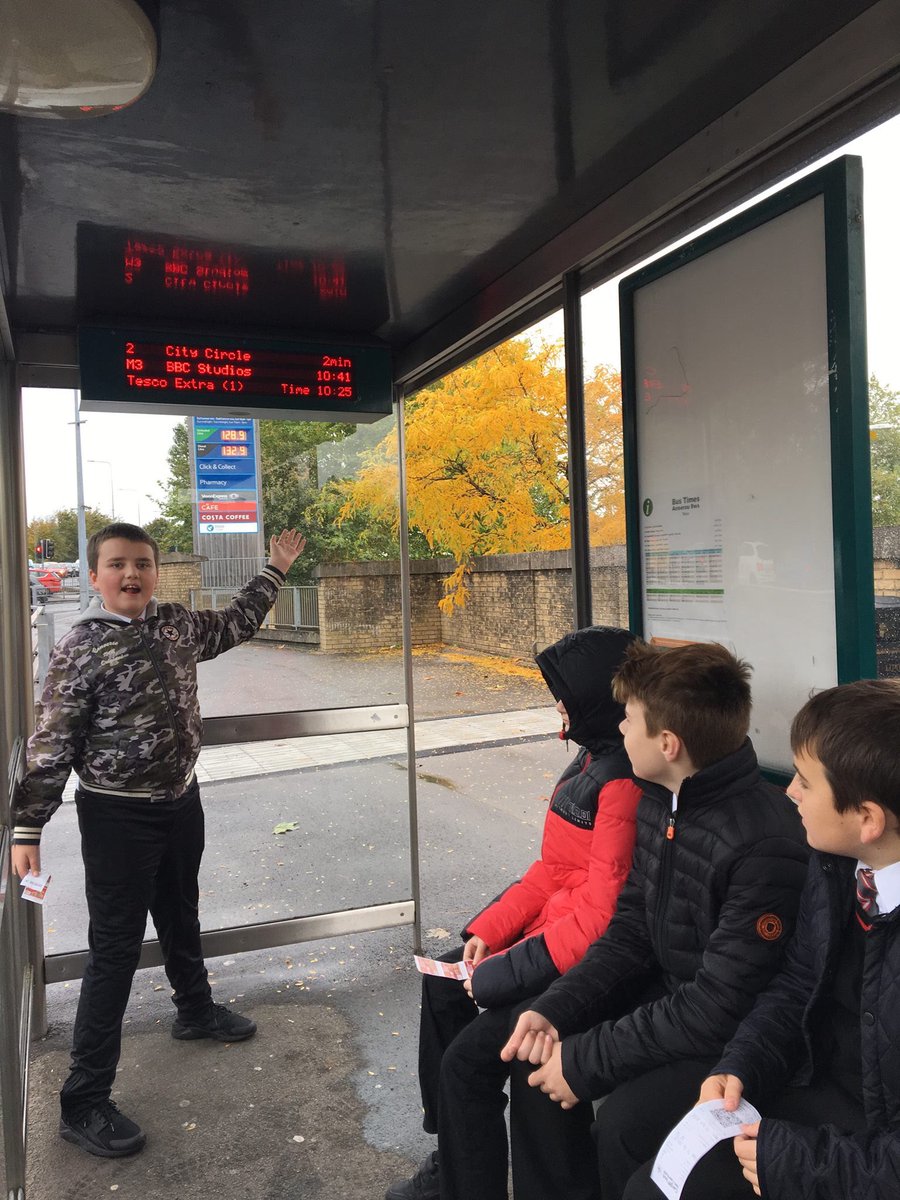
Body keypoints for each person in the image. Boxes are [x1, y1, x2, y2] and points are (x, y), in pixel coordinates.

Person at [453, 639, 809, 1200]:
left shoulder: (764, 844)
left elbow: (719, 1007)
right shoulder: (659, 800)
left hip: (728, 1035)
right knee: (534, 1057)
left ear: (667, 744)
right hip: (668, 998)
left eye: (631, 721)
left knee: (621, 1123)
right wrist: (554, 1008)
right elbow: (628, 934)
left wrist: (587, 1060)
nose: (620, 731)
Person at [10, 521, 305, 1159]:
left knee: (180, 910)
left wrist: (276, 566)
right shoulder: (81, 647)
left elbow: (236, 623)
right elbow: (53, 743)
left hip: (180, 801)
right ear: (95, 576)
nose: (131, 574)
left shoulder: (174, 624)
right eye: (116, 564)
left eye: (141, 563)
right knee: (114, 952)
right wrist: (28, 825)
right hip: (116, 817)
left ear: (155, 572)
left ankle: (194, 1010)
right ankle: (83, 1100)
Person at [386, 625, 643, 1200]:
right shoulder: (593, 758)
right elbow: (554, 870)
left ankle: (462, 1173)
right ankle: (453, 1149)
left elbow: (601, 916)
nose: (557, 704)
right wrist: (488, 933)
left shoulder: (620, 780)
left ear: (597, 700)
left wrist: (508, 968)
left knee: (472, 1060)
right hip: (553, 936)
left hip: (581, 959)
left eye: (565, 695)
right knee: (444, 985)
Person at [620, 678, 900, 1200]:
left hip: (858, 1155)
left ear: (867, 819)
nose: (790, 790)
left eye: (806, 782)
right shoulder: (836, 866)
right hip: (812, 1090)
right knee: (637, 1155)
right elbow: (797, 983)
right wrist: (741, 1065)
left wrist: (799, 1163)